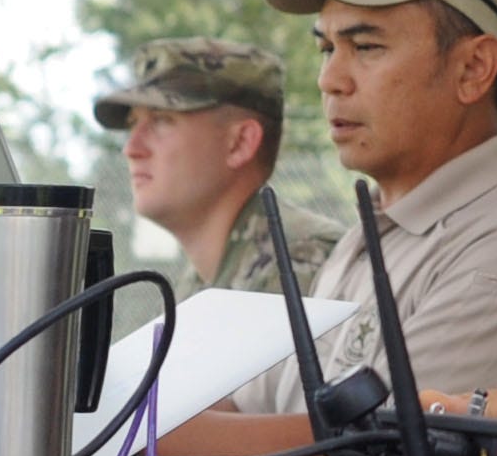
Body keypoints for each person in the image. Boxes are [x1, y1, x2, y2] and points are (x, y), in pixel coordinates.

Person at [159, 0, 497, 456]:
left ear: (473, 68)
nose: (331, 79)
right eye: (327, 47)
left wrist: (144, 438)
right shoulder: (380, 226)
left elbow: (385, 452)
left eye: (366, 46)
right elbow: (254, 404)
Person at [94, 37, 340, 297]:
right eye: (134, 123)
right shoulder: (204, 278)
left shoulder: (300, 263)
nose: (132, 149)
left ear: (240, 143)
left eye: (161, 120)